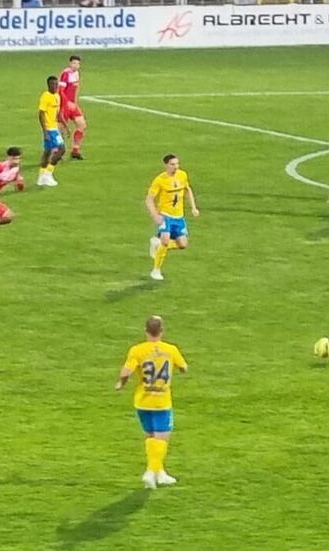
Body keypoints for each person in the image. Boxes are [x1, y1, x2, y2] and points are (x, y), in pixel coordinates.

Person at [115, 315, 189, 489]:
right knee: (161, 439)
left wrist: (120, 384)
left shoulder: (137, 350)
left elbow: (126, 371)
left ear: (146, 331)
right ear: (161, 331)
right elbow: (184, 368)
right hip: (161, 401)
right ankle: (150, 471)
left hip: (142, 401)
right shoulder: (170, 349)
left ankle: (160, 473)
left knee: (151, 438)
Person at [145, 154, 200, 281]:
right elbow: (149, 199)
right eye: (172, 164)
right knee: (165, 240)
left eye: (177, 164)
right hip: (166, 215)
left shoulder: (182, 175)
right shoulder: (160, 180)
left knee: (183, 244)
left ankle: (156, 243)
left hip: (179, 216)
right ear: (166, 165)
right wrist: (155, 215)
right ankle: (156, 270)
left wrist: (193, 207)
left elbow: (187, 189)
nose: (176, 167)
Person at [58, 55, 88, 160]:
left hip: (73, 105)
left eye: (78, 63)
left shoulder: (76, 74)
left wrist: (74, 102)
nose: (76, 65)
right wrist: (67, 103)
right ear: (70, 63)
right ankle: (59, 152)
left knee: (82, 125)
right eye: (74, 63)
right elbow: (60, 91)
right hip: (64, 105)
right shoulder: (65, 74)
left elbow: (75, 90)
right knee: (61, 129)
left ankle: (75, 150)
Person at [37, 76, 65, 187]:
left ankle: (41, 177)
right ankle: (48, 173)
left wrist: (64, 125)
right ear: (48, 85)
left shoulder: (57, 96)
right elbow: (41, 114)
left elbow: (57, 113)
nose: (54, 86)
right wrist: (45, 132)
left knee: (48, 151)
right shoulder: (45, 96)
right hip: (50, 129)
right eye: (52, 84)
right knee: (61, 150)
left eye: (56, 84)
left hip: (54, 127)